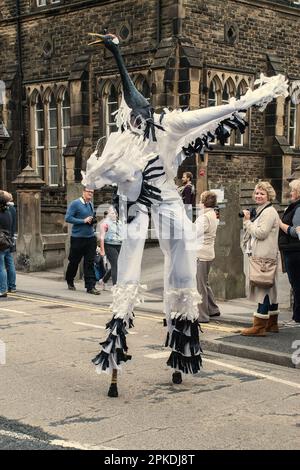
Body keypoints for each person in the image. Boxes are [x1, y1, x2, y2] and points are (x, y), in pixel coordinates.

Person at [84, 32, 288, 397]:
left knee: (181, 270)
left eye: (137, 114)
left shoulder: (167, 126)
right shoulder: (125, 141)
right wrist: (117, 55)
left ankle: (180, 343)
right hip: (137, 207)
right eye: (131, 116)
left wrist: (253, 98)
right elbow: (104, 171)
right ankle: (119, 341)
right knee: (128, 268)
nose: (133, 119)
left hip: (167, 204)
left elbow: (214, 112)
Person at [241, 181, 280, 336]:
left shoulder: (269, 212)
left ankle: (259, 327)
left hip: (264, 257)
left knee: (262, 288)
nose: (258, 196)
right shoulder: (263, 210)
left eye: (262, 193)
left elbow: (262, 233)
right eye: (257, 193)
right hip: (264, 256)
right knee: (270, 289)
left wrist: (247, 222)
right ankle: (272, 323)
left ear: (268, 196)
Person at [65, 187, 100, 295]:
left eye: (92, 192)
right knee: (74, 261)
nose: (90, 194)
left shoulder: (90, 204)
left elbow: (89, 218)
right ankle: (70, 280)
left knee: (89, 262)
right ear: (83, 192)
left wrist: (92, 220)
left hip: (90, 238)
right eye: (88, 192)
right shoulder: (75, 204)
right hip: (78, 238)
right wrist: (83, 221)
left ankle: (91, 286)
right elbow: (68, 218)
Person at [195, 191, 220, 323]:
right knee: (205, 283)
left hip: (201, 254)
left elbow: (193, 233)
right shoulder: (213, 215)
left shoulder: (204, 218)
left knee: (200, 286)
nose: (198, 203)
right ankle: (213, 309)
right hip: (209, 253)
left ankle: (202, 315)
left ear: (203, 203)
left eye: (200, 201)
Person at [278, 178, 300, 325]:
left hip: (294, 252)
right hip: (291, 251)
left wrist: (281, 224)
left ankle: (297, 318)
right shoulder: (294, 206)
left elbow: (297, 232)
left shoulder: (298, 208)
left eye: (293, 190)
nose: (290, 192)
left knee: (297, 285)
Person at [99, 206, 122, 287]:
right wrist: (102, 250)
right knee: (115, 264)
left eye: (115, 213)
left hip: (119, 245)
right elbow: (101, 237)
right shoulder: (104, 224)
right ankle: (116, 286)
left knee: (116, 265)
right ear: (108, 214)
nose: (114, 215)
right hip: (109, 245)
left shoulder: (120, 223)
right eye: (112, 213)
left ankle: (103, 280)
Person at [0, 194, 14, 298]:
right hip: (8, 241)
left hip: (1, 243)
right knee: (10, 264)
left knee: (1, 267)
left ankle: (2, 290)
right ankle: (12, 286)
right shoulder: (9, 211)